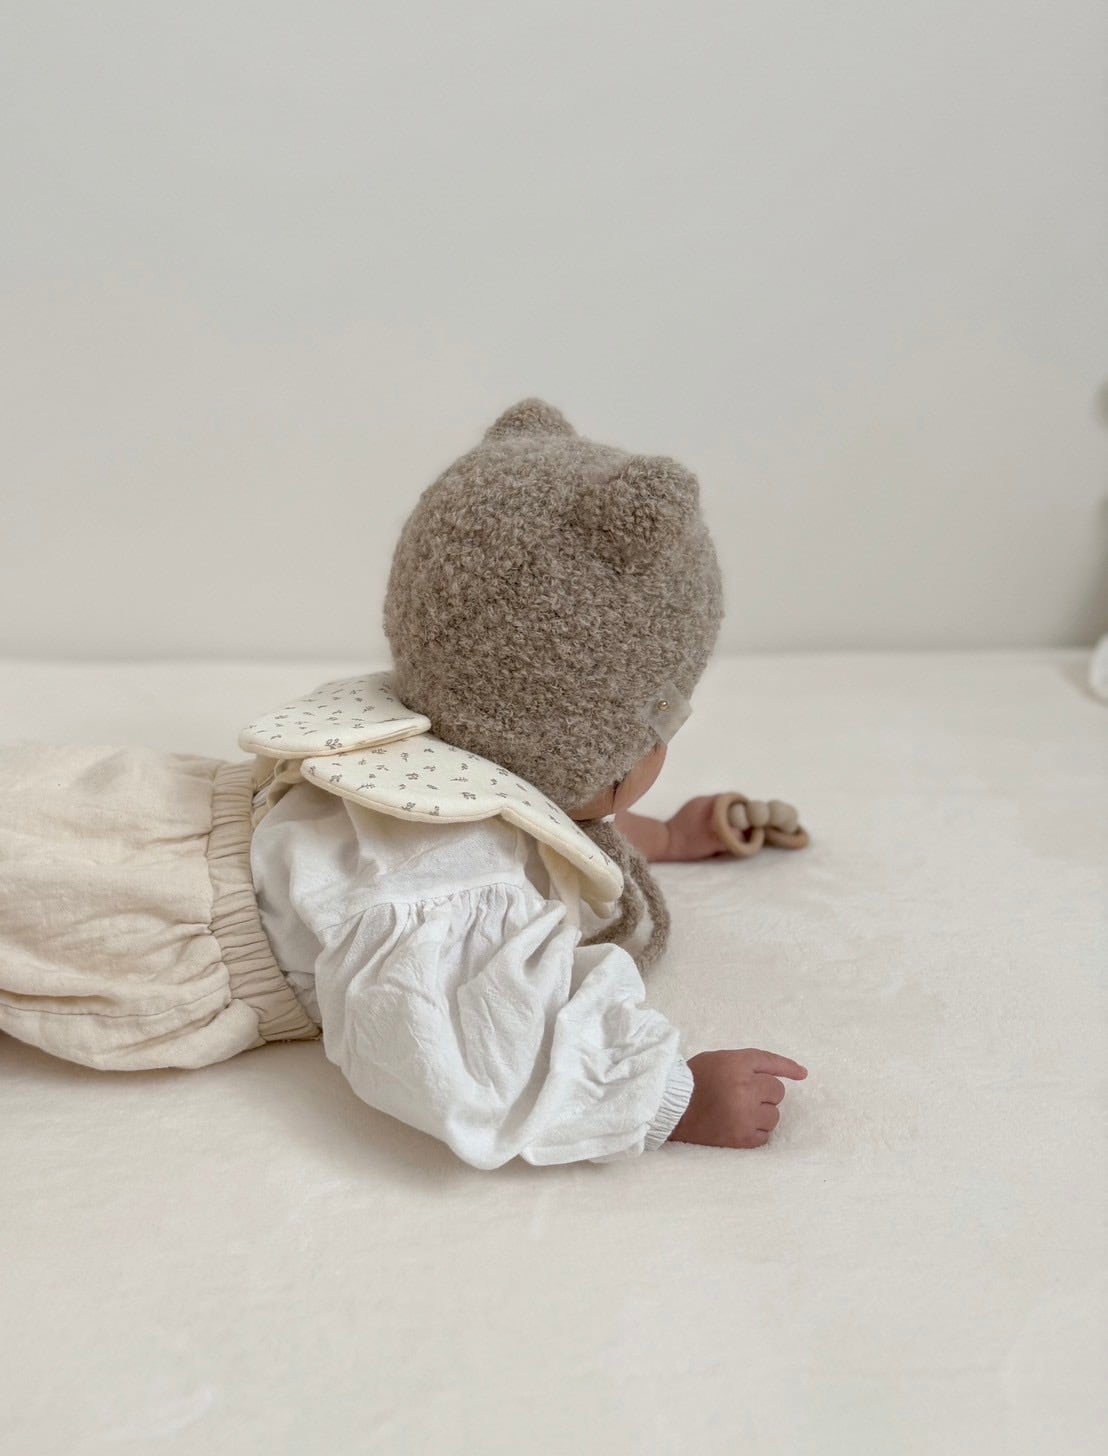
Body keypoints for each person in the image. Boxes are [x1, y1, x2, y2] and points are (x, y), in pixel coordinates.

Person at [0, 399, 808, 1169]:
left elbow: (560, 821)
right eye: (663, 724)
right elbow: (478, 1053)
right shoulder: (451, 874)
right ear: (592, 737)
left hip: (135, 813)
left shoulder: (435, 735)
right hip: (135, 920)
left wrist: (672, 836)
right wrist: (672, 1097)